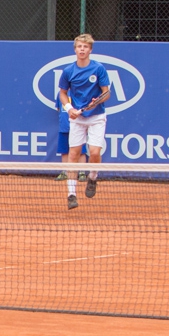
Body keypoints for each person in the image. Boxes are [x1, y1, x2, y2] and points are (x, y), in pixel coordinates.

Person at [57, 33, 111, 210]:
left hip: (96, 117)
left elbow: (107, 93)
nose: (82, 49)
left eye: (85, 47)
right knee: (73, 154)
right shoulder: (68, 71)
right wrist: (69, 109)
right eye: (79, 46)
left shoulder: (98, 69)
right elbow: (62, 93)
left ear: (90, 50)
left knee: (94, 152)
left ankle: (93, 177)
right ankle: (71, 194)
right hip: (77, 118)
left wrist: (98, 100)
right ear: (75, 49)